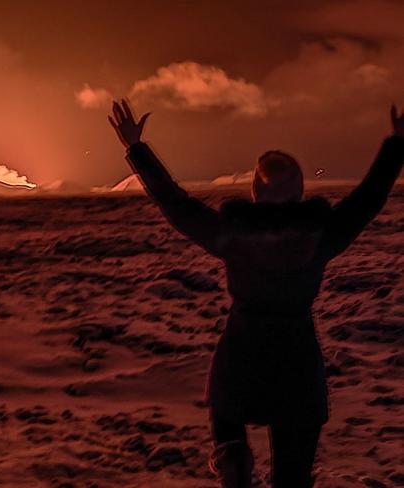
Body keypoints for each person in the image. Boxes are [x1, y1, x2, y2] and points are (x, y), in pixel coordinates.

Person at [108, 99, 404, 488]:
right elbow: (368, 198)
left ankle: (233, 463)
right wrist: (396, 145)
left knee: (225, 411)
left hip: (242, 355)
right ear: (299, 191)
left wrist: (136, 148)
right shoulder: (321, 234)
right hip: (297, 363)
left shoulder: (232, 234)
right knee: (294, 472)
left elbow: (175, 203)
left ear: (254, 193)